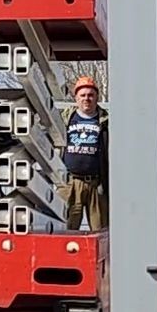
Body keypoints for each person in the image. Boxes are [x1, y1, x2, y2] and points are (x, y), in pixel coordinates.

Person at [59, 75, 109, 231]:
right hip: (71, 183)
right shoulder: (65, 119)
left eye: (90, 95)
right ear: (76, 98)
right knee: (67, 229)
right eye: (83, 95)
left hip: (96, 184)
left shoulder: (107, 122)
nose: (86, 99)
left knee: (100, 230)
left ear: (96, 98)